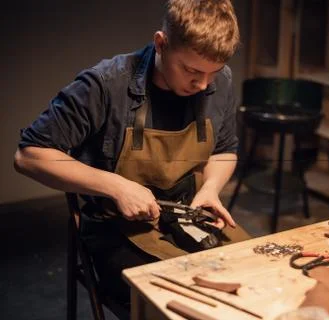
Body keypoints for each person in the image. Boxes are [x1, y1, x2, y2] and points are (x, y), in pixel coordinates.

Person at [14, 0, 250, 305]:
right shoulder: (105, 85)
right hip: (116, 226)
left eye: (213, 73)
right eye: (191, 71)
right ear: (161, 44)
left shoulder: (220, 82)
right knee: (182, 302)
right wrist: (117, 186)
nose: (203, 84)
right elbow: (29, 155)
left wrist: (211, 188)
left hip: (187, 211)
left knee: (253, 275)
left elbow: (224, 150)